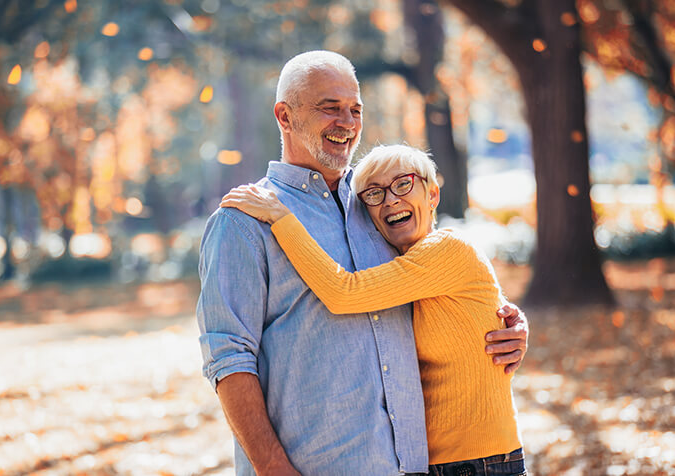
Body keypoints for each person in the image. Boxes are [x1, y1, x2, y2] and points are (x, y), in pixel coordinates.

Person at [197, 50, 529, 476]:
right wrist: (273, 469)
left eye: (355, 110)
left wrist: (506, 325)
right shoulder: (242, 222)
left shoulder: (382, 204)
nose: (348, 123)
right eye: (329, 108)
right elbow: (229, 360)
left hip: (416, 465)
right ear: (285, 115)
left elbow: (442, 287)